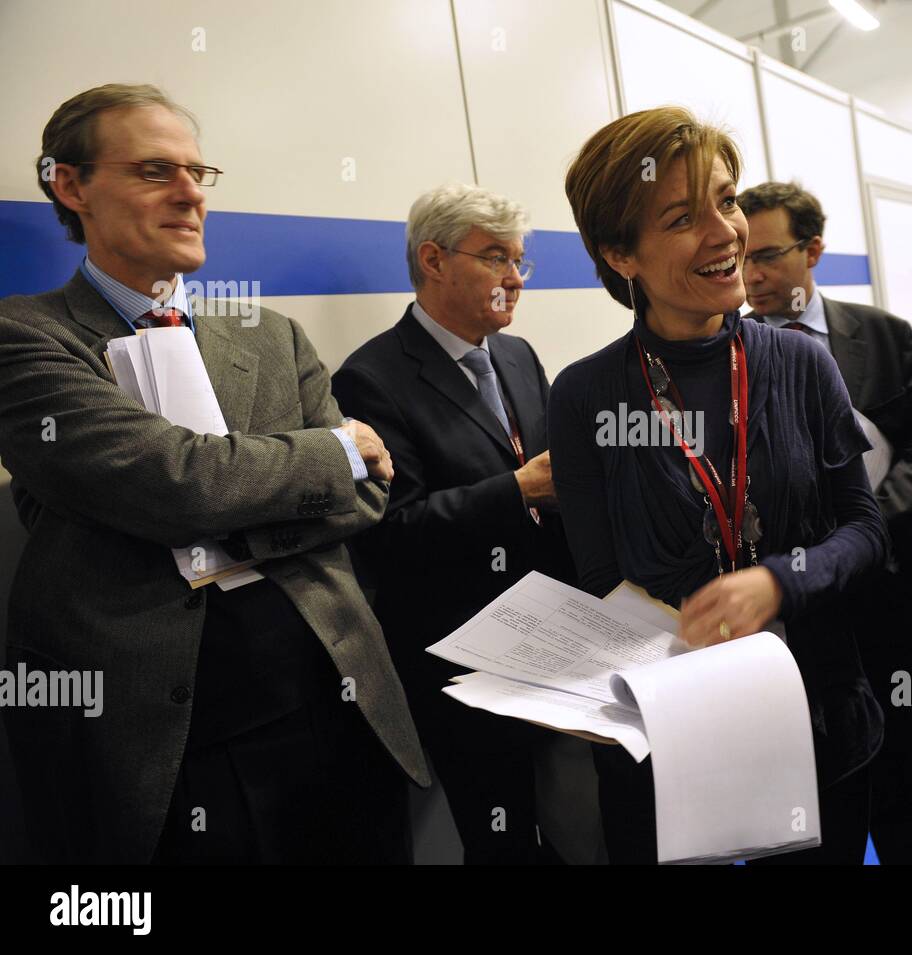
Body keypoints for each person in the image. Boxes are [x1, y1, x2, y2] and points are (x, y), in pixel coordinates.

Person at [0, 84, 428, 864]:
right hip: (165, 742)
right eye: (155, 170)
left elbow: (369, 496)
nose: (191, 193)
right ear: (70, 184)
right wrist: (324, 456)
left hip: (333, 698)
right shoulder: (26, 338)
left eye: (201, 173)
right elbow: (173, 482)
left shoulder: (269, 333)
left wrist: (221, 501)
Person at [552, 106, 889, 864]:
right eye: (681, 217)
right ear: (619, 254)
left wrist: (779, 581)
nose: (724, 233)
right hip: (668, 733)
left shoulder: (801, 364)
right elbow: (601, 575)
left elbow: (864, 528)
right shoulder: (583, 394)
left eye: (727, 201)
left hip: (814, 711)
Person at [332, 183, 576, 864]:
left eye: (521, 261)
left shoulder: (520, 356)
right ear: (433, 259)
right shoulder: (371, 378)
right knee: (501, 839)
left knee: (572, 822)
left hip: (554, 633)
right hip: (463, 657)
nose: (513, 279)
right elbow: (390, 534)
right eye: (496, 257)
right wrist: (518, 488)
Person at [738, 180, 912, 864]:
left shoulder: (883, 336)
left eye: (768, 255)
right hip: (792, 617)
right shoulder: (727, 355)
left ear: (815, 250)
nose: (751, 275)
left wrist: (869, 530)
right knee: (817, 797)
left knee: (908, 779)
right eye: (742, 256)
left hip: (887, 596)